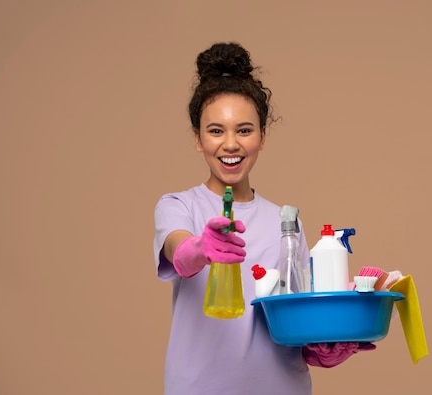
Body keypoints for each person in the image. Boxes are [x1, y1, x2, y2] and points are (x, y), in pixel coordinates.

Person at [153, 42, 375, 395]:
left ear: (262, 137)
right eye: (215, 131)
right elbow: (180, 253)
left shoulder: (287, 222)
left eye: (244, 130)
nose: (230, 144)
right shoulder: (178, 206)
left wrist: (323, 348)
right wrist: (201, 247)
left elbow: (296, 319)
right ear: (197, 138)